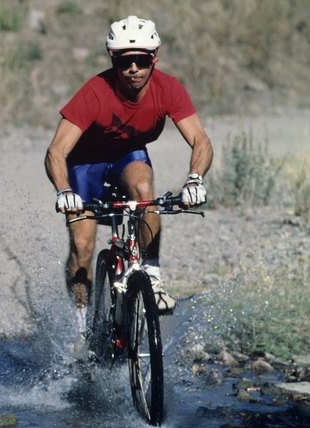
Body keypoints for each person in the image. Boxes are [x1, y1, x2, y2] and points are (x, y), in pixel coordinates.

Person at [44, 16, 213, 348]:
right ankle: (81, 328)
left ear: (155, 58)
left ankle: (151, 273)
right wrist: (64, 191)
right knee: (83, 247)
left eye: (142, 60)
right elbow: (56, 151)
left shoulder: (168, 88)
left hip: (127, 155)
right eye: (124, 61)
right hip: (85, 163)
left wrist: (195, 179)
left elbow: (201, 141)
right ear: (113, 61)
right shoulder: (95, 92)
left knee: (145, 192)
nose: (134, 68)